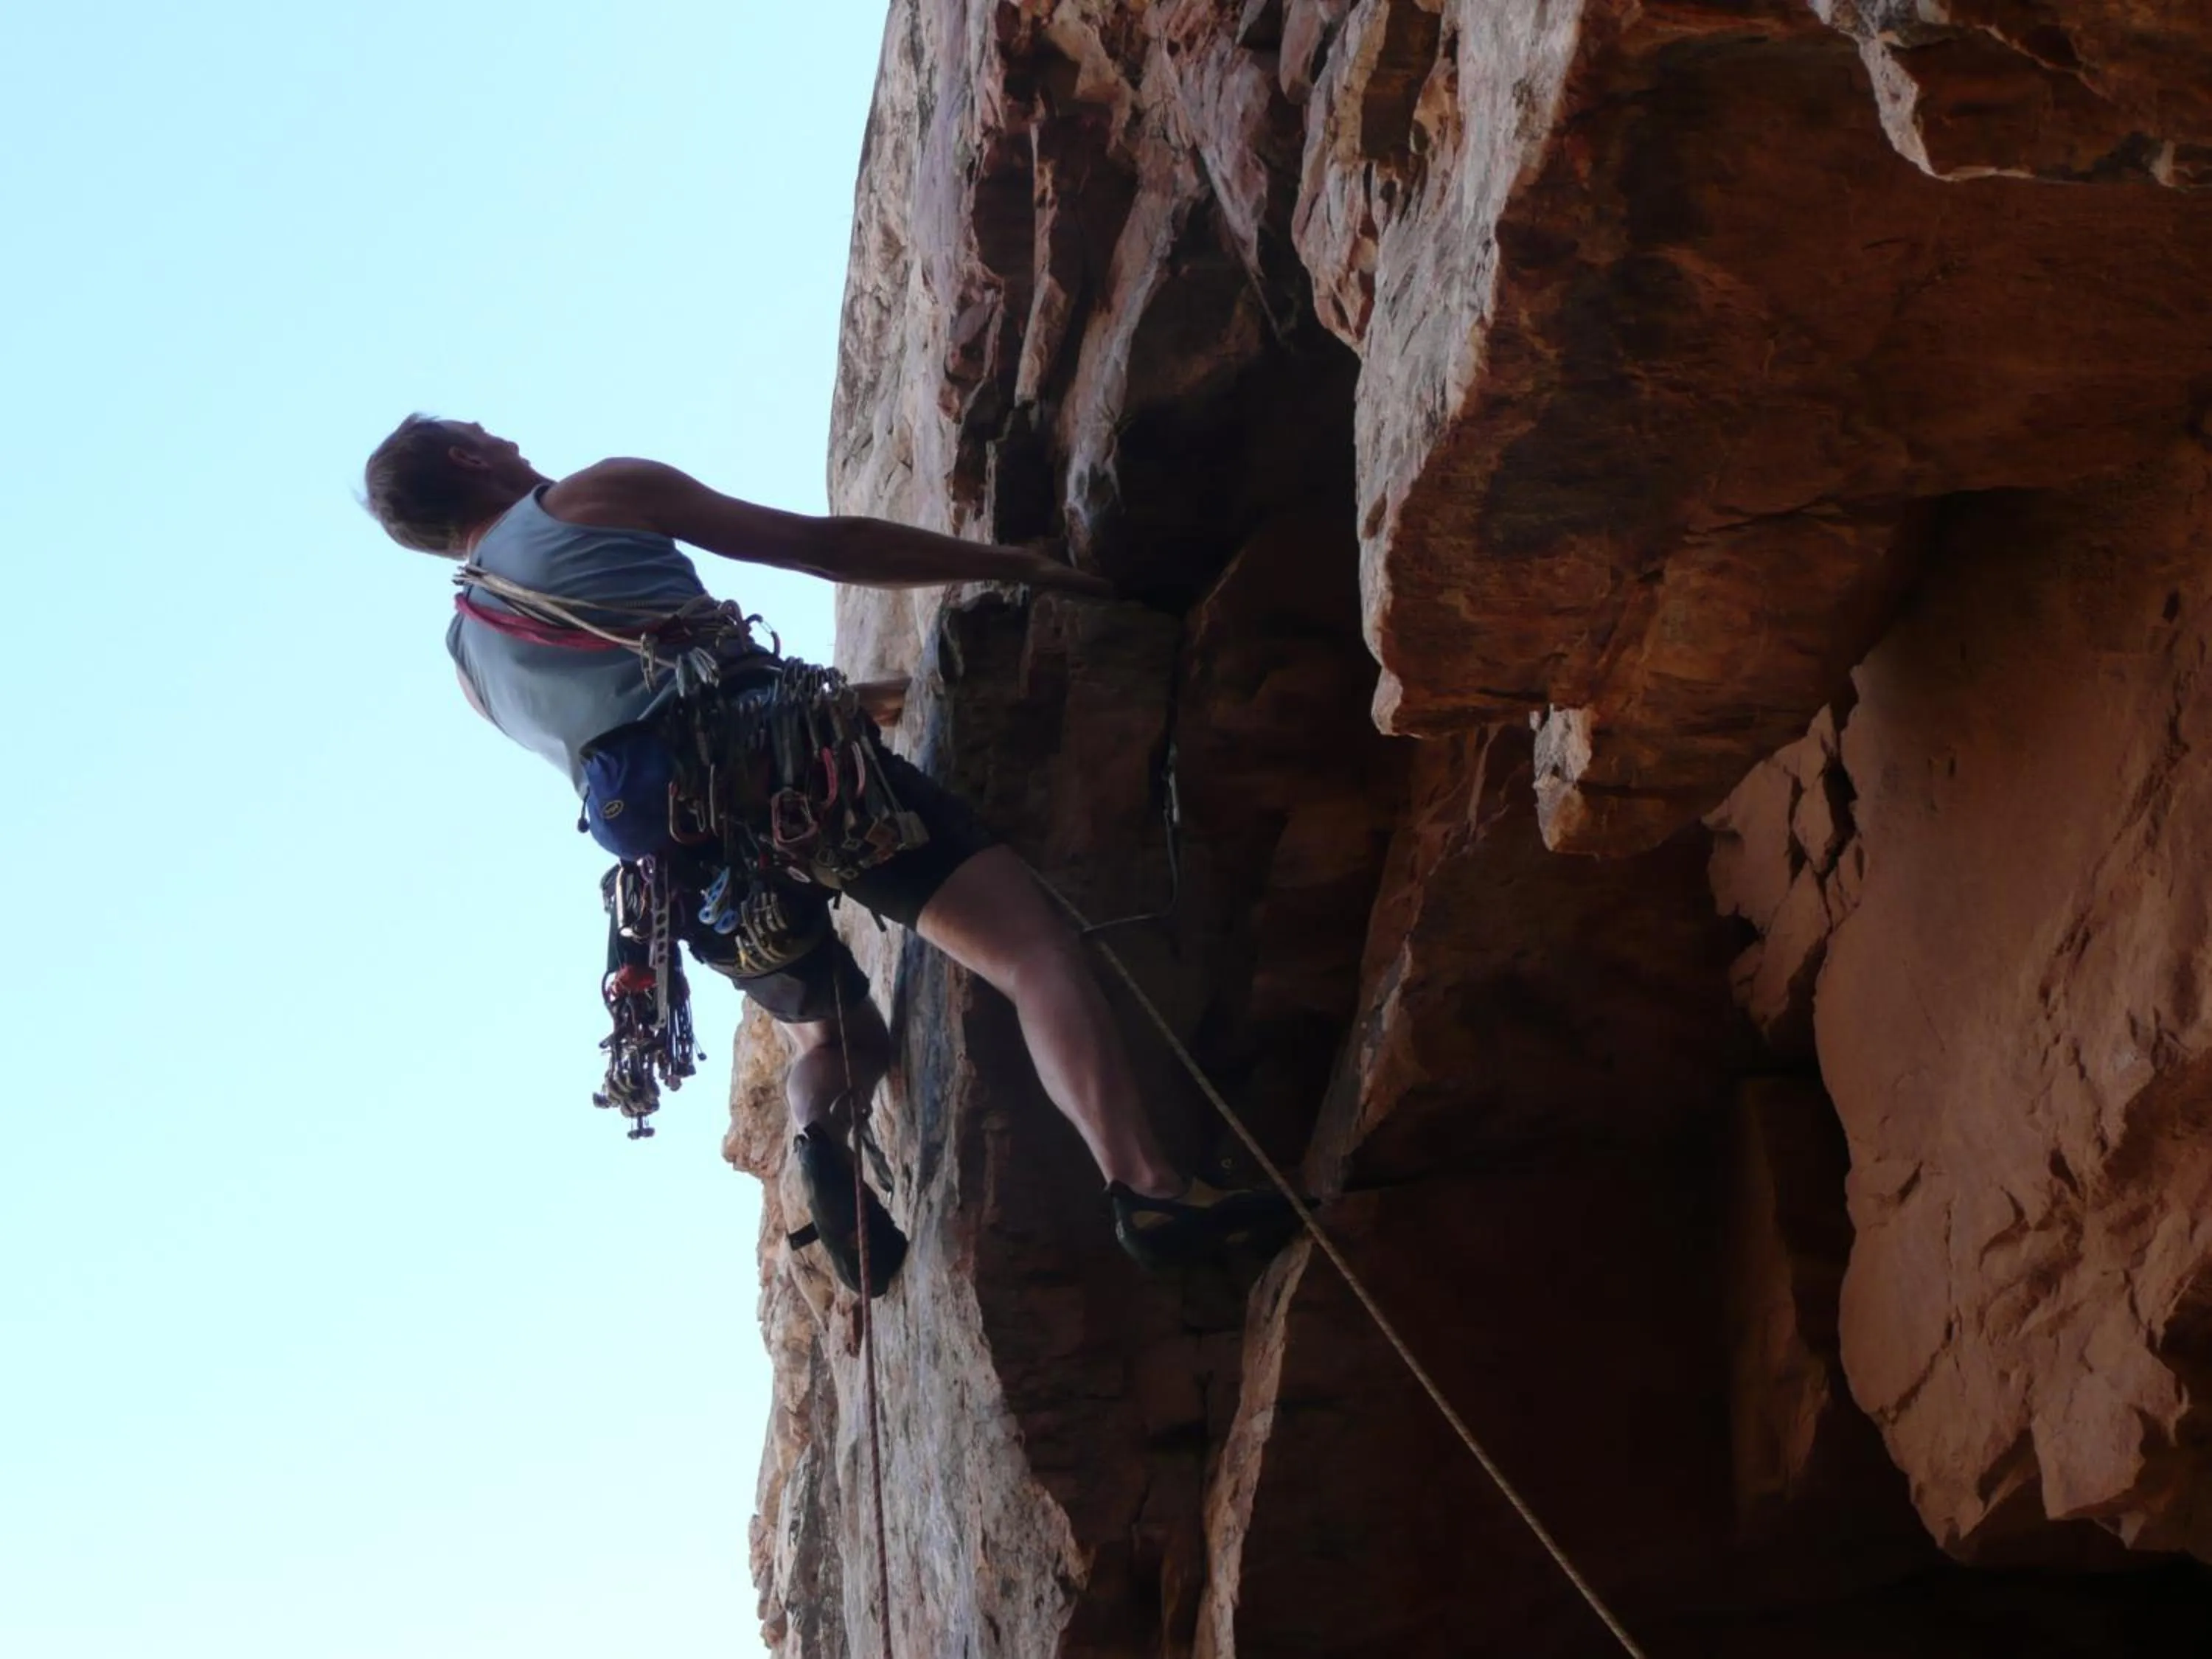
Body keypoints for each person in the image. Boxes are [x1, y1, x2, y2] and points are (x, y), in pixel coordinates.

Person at [362, 416, 1286, 1289]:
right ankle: (1151, 1190)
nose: (507, 438)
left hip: (682, 870)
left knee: (837, 1038)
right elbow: (821, 546)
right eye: (484, 433)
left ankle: (818, 1134)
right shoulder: (595, 494)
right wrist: (1014, 565)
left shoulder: (470, 665)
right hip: (793, 771)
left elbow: (630, 717)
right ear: (469, 462)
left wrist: (870, 697)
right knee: (1030, 951)